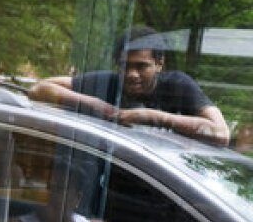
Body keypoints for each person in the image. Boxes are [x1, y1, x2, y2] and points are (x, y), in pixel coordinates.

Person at [29, 26, 230, 147]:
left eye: (141, 66)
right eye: (125, 66)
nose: (132, 74)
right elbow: (39, 89)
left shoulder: (178, 85)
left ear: (159, 64)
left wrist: (154, 117)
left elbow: (221, 134)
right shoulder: (108, 82)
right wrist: (95, 103)